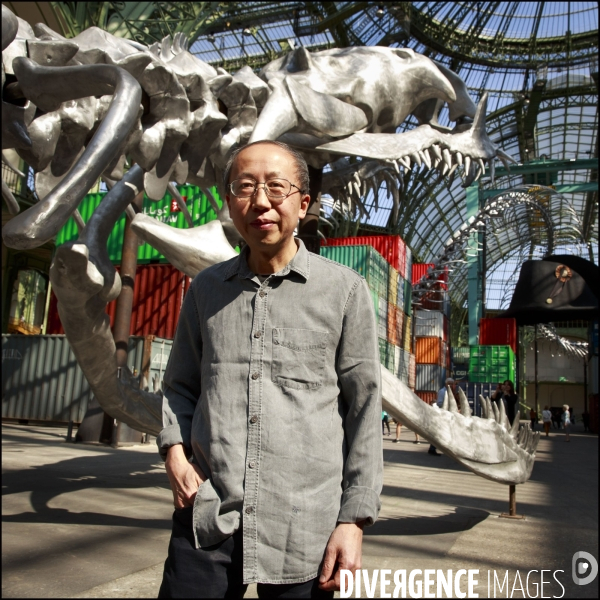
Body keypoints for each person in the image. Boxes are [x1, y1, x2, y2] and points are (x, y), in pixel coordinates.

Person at [156, 140, 383, 598]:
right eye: (245, 187)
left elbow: (363, 412)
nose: (260, 201)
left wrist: (352, 521)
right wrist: (174, 453)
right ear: (230, 204)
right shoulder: (205, 290)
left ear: (302, 204)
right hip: (210, 516)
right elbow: (180, 386)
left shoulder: (344, 291)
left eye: (275, 187)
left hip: (305, 528)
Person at [429, 378, 456, 456]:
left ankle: (433, 448)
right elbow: (439, 403)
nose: (451, 385)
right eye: (449, 383)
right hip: (442, 414)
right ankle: (432, 448)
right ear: (446, 383)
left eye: (452, 383)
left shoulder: (449, 392)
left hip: (447, 414)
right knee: (439, 432)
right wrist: (448, 406)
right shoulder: (442, 391)